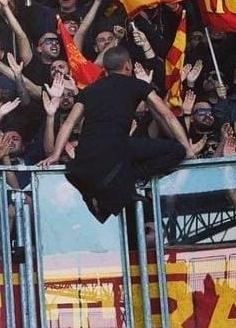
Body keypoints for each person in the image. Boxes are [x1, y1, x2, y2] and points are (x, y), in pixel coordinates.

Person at [40, 46, 195, 222]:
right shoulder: (138, 85)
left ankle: (123, 177)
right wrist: (187, 148)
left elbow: (69, 123)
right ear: (128, 65)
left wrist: (56, 154)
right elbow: (167, 115)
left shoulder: (89, 90)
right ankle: (130, 176)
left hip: (87, 153)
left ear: (105, 69)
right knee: (177, 151)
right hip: (119, 147)